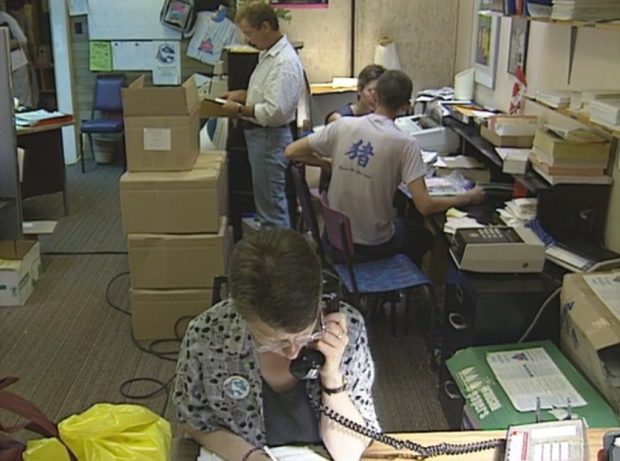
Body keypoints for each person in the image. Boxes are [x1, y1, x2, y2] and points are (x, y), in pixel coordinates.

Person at [173, 229, 379, 461]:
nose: (293, 352)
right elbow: (194, 420)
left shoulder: (346, 330)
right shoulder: (206, 336)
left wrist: (332, 376)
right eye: (273, 342)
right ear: (242, 315)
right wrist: (251, 456)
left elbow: (348, 453)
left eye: (304, 336)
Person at [285, 70, 485, 265]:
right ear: (406, 106)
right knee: (424, 237)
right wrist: (467, 197)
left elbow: (291, 151)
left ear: (376, 96)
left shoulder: (344, 125)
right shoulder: (406, 144)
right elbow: (425, 206)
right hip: (369, 247)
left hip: (334, 239)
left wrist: (326, 163)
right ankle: (401, 286)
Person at [219, 2, 304, 229]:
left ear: (266, 27)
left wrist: (238, 110)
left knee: (271, 211)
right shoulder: (269, 55)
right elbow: (268, 95)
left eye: (249, 33)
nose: (248, 40)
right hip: (262, 138)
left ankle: (278, 262)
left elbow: (273, 112)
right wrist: (242, 95)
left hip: (269, 138)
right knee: (267, 205)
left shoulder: (284, 62)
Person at [0, 0, 33, 107]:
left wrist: (5, 44)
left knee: (22, 101)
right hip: (3, 67)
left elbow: (23, 39)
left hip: (16, 63)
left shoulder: (5, 18)